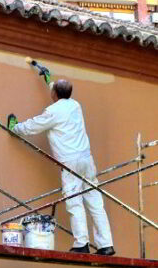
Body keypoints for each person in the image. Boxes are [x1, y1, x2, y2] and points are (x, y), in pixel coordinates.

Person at [10, 79, 114, 255]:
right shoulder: (75, 106)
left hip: (70, 161)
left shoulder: (53, 112)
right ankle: (106, 244)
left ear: (54, 95)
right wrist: (49, 81)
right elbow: (61, 94)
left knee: (74, 202)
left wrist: (16, 128)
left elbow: (33, 126)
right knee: (95, 202)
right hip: (86, 160)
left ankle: (82, 243)